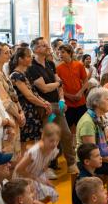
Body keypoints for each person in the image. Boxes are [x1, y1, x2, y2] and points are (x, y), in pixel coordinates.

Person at [28, 37, 77, 174]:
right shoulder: (32, 66)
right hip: (45, 107)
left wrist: (62, 99)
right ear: (35, 49)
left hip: (56, 104)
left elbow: (58, 84)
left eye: (46, 44)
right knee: (48, 137)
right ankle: (47, 167)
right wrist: (58, 84)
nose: (47, 47)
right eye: (43, 45)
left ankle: (71, 163)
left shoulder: (50, 63)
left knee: (66, 134)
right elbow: (44, 88)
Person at [9, 46, 52, 145]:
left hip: (32, 110)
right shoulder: (15, 75)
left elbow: (34, 93)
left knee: (35, 142)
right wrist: (44, 105)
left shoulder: (25, 73)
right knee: (27, 144)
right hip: (25, 111)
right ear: (20, 59)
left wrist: (45, 102)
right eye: (28, 56)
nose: (31, 58)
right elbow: (29, 96)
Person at [0, 42, 23, 156]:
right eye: (6, 53)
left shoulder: (3, 71)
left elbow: (13, 94)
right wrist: (18, 116)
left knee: (16, 153)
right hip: (7, 117)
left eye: (9, 52)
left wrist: (20, 111)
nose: (9, 55)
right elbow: (4, 101)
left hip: (14, 115)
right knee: (8, 155)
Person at [14, 122, 61, 203]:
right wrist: (36, 178)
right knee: (36, 198)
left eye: (57, 141)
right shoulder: (34, 152)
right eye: (51, 141)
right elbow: (18, 169)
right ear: (43, 138)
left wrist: (46, 180)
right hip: (25, 177)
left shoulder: (52, 150)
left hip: (37, 175)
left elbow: (45, 165)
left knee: (51, 193)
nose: (54, 144)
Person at [55, 45, 88, 128]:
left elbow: (86, 82)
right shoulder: (58, 68)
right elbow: (58, 87)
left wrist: (80, 93)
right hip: (67, 103)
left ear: (70, 53)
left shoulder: (79, 65)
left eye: (63, 52)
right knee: (67, 127)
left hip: (81, 101)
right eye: (59, 52)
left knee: (83, 126)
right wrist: (68, 96)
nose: (60, 54)